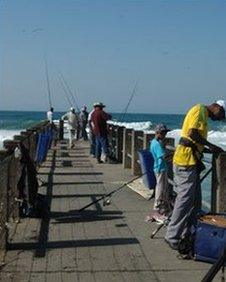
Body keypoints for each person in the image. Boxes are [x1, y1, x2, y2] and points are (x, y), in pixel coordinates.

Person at [165, 100, 225, 250]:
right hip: (185, 161)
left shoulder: (203, 114)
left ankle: (189, 234)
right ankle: (172, 236)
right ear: (217, 106)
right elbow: (193, 133)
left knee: (195, 203)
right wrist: (212, 146)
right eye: (221, 114)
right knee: (184, 200)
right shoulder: (199, 110)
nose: (219, 119)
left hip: (191, 162)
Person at [150, 124, 172, 219]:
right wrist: (174, 154)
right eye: (163, 133)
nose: (165, 135)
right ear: (158, 133)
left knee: (163, 188)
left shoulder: (154, 142)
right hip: (160, 168)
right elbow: (163, 156)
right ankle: (157, 208)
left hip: (159, 168)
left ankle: (163, 207)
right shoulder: (157, 144)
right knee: (160, 188)